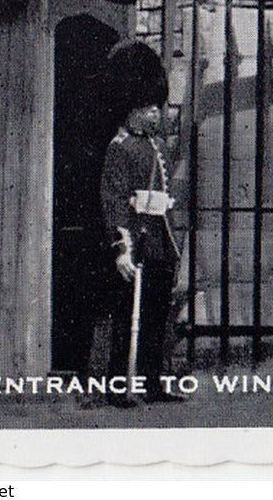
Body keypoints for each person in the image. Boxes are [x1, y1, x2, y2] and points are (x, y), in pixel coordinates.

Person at [98, 41, 185, 408]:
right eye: (148, 107)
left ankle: (151, 381)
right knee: (125, 317)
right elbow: (114, 199)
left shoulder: (158, 146)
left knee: (156, 316)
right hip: (136, 240)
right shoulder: (119, 148)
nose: (155, 113)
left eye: (156, 106)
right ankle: (118, 385)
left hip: (160, 241)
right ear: (131, 107)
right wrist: (121, 248)